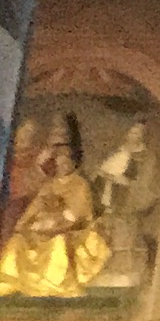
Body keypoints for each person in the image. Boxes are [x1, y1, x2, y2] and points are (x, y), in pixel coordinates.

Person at [0, 115, 111, 300]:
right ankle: (13, 280)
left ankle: (55, 283)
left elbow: (79, 216)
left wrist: (58, 223)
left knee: (58, 243)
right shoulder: (50, 184)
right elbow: (35, 207)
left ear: (73, 162)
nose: (62, 165)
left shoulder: (79, 184)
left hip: (72, 231)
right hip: (46, 228)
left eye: (66, 161)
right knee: (18, 240)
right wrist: (24, 224)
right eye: (59, 162)